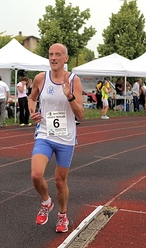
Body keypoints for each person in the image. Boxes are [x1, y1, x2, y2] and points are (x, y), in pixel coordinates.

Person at [28, 43, 83, 233]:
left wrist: (69, 97)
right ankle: (46, 202)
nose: (53, 58)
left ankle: (62, 215)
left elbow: (81, 115)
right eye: (51, 54)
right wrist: (32, 111)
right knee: (36, 175)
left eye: (58, 54)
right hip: (45, 133)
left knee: (60, 182)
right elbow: (31, 98)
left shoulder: (74, 80)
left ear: (65, 59)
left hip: (65, 138)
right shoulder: (40, 79)